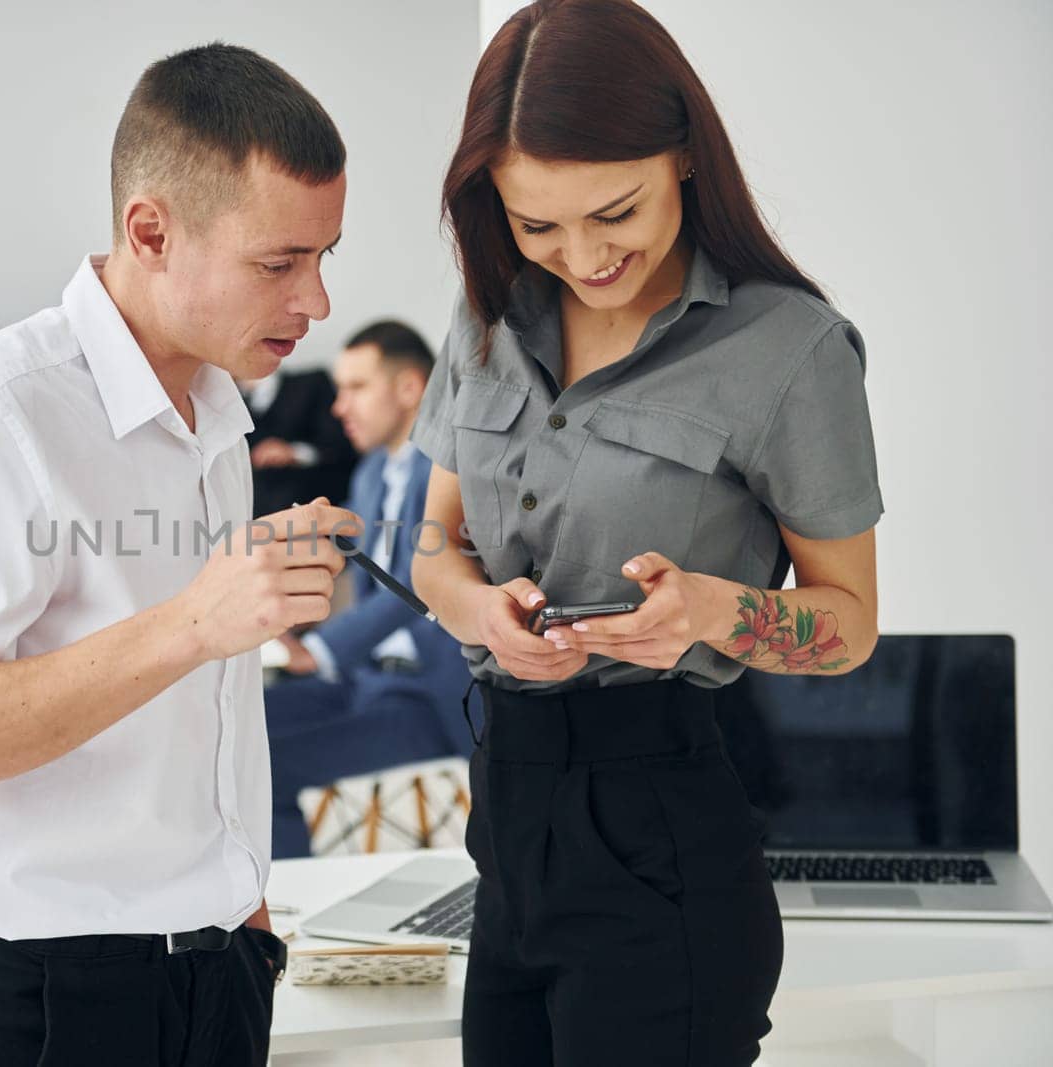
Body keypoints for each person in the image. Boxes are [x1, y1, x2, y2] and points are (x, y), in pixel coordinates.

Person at [0, 45, 353, 1066]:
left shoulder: (215, 406)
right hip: (36, 994)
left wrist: (238, 904)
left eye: (323, 257)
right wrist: (193, 621)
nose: (316, 302)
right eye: (278, 263)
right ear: (151, 231)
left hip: (213, 970)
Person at [408, 2, 882, 1064]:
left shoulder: (788, 349)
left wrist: (712, 611)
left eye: (612, 211)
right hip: (507, 831)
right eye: (537, 225)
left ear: (683, 158)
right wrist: (478, 607)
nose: (581, 255)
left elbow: (849, 625)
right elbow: (429, 550)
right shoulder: (486, 314)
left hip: (661, 834)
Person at [264, 320, 480, 859]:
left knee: (265, 770)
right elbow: (362, 585)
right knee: (241, 728)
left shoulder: (455, 469)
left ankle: (278, 922)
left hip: (429, 696)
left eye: (356, 388)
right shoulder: (370, 475)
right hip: (366, 681)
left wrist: (319, 650)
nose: (339, 407)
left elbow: (418, 584)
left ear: (409, 389)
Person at [240, 365, 357, 516]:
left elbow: (342, 448)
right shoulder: (219, 403)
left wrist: (294, 452)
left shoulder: (312, 384)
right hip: (253, 515)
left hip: (315, 503)